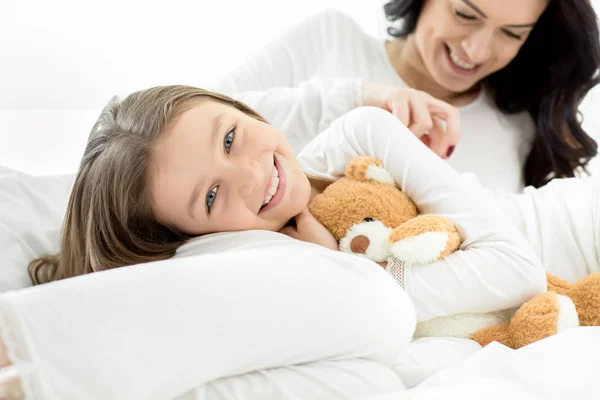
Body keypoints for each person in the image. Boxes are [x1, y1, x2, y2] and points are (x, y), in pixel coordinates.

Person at [210, 0, 600, 193]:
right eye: (465, 14)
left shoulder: (519, 127)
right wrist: (356, 98)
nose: (478, 50)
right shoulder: (331, 40)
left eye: (512, 33)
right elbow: (192, 117)